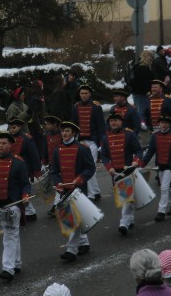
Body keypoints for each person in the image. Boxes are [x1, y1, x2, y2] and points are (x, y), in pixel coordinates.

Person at [0, 132, 31, 281]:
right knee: (11, 234)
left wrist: (25, 196)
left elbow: (25, 184)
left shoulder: (18, 162)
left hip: (13, 205)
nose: (1, 146)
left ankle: (8, 269)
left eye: (4, 143)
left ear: (10, 145)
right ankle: (16, 263)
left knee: (9, 235)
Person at [51, 121, 96, 262]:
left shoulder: (82, 148)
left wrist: (79, 179)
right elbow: (54, 171)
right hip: (64, 189)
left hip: (79, 189)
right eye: (63, 131)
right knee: (76, 218)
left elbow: (90, 168)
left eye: (67, 131)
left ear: (74, 133)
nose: (64, 133)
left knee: (74, 219)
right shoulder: (57, 150)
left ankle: (71, 250)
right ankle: (84, 243)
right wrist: (58, 183)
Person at [101, 112, 144, 235]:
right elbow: (103, 155)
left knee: (126, 197)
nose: (113, 123)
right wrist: (109, 167)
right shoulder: (105, 137)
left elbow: (138, 151)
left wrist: (135, 162)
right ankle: (129, 219)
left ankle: (124, 223)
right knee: (125, 197)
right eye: (111, 121)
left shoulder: (129, 135)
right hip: (116, 172)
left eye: (116, 120)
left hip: (128, 170)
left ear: (121, 122)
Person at [140, 115, 171, 222]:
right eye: (161, 122)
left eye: (166, 123)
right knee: (166, 187)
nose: (163, 124)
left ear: (169, 124)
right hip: (160, 166)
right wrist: (142, 164)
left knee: (164, 189)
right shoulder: (155, 136)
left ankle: (161, 212)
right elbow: (150, 151)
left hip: (170, 167)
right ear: (159, 124)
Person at [70, 84, 106, 202]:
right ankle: (95, 192)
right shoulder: (76, 107)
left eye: (86, 93)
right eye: (82, 93)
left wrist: (101, 144)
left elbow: (101, 126)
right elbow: (74, 125)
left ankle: (91, 194)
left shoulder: (96, 107)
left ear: (90, 94)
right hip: (81, 142)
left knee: (90, 168)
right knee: (85, 168)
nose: (84, 95)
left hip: (93, 142)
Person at [7, 118, 41, 220]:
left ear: (19, 127)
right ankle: (29, 212)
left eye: (14, 127)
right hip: (12, 169)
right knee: (17, 191)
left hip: (25, 169)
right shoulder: (8, 138)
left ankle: (30, 212)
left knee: (20, 190)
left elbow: (34, 155)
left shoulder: (26, 138)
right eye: (10, 128)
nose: (12, 130)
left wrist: (36, 171)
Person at [130, 50, 155, 130]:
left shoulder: (137, 67)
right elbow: (144, 81)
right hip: (142, 93)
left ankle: (141, 123)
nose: (152, 60)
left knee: (140, 108)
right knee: (142, 109)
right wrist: (147, 91)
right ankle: (141, 124)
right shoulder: (143, 69)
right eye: (151, 58)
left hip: (136, 92)